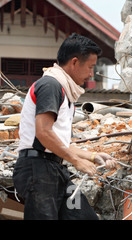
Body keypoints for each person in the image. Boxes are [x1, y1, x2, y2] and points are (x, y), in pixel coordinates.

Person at [13, 33, 117, 220]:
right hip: (38, 170)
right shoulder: (50, 85)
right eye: (91, 67)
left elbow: (57, 142)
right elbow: (43, 133)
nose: (91, 74)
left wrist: (92, 156)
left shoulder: (64, 90)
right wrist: (77, 161)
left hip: (53, 169)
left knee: (83, 216)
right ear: (75, 62)